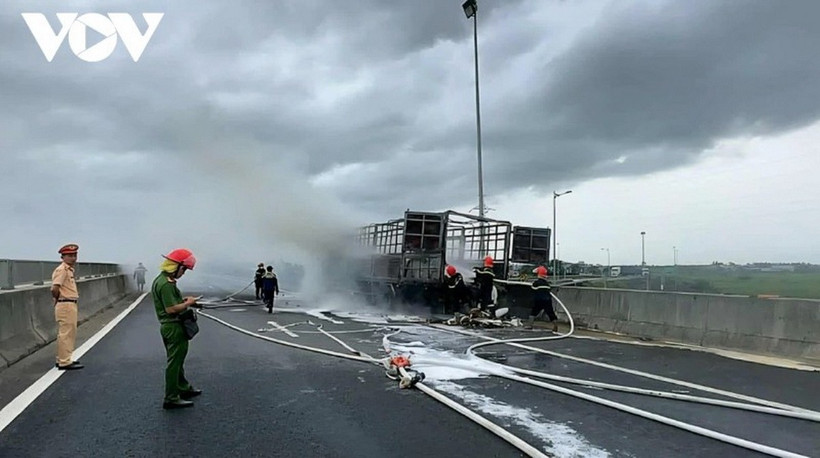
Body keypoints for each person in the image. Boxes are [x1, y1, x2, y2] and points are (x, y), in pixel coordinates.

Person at [151, 248, 202, 409]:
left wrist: (184, 301)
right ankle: (171, 397)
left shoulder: (162, 280)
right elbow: (171, 309)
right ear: (176, 266)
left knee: (178, 360)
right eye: (184, 269)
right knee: (175, 362)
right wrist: (188, 303)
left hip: (170, 326)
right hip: (173, 326)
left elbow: (171, 302)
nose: (184, 273)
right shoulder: (166, 284)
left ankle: (182, 387)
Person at [51, 243, 83, 371]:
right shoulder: (62, 270)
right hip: (65, 303)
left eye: (74, 255)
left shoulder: (68, 270)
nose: (73, 258)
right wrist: (58, 298)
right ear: (63, 257)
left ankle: (63, 358)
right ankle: (64, 362)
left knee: (68, 333)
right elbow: (55, 288)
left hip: (69, 303)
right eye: (70, 255)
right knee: (66, 334)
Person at [526, 265, 558, 332]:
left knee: (533, 312)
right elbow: (549, 290)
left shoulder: (536, 283)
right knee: (550, 313)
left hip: (539, 300)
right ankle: (555, 325)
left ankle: (529, 325)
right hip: (547, 300)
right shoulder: (547, 284)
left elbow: (532, 289)